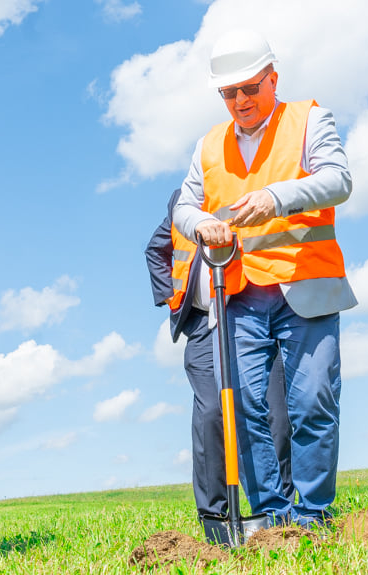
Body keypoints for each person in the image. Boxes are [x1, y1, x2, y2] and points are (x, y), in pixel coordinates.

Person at [172, 29, 357, 528]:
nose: (240, 101)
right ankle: (272, 519)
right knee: (246, 408)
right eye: (228, 93)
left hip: (306, 288)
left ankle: (313, 513)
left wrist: (277, 197)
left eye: (249, 88)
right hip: (238, 298)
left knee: (313, 400)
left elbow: (339, 180)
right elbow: (185, 205)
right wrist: (200, 223)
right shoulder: (209, 144)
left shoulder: (308, 119)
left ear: (272, 79)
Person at [145, 189, 295, 522]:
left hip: (252, 315)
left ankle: (278, 510)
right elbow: (156, 249)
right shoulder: (181, 201)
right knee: (211, 412)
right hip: (202, 321)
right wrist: (171, 298)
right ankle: (215, 515)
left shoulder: (253, 189)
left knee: (274, 414)